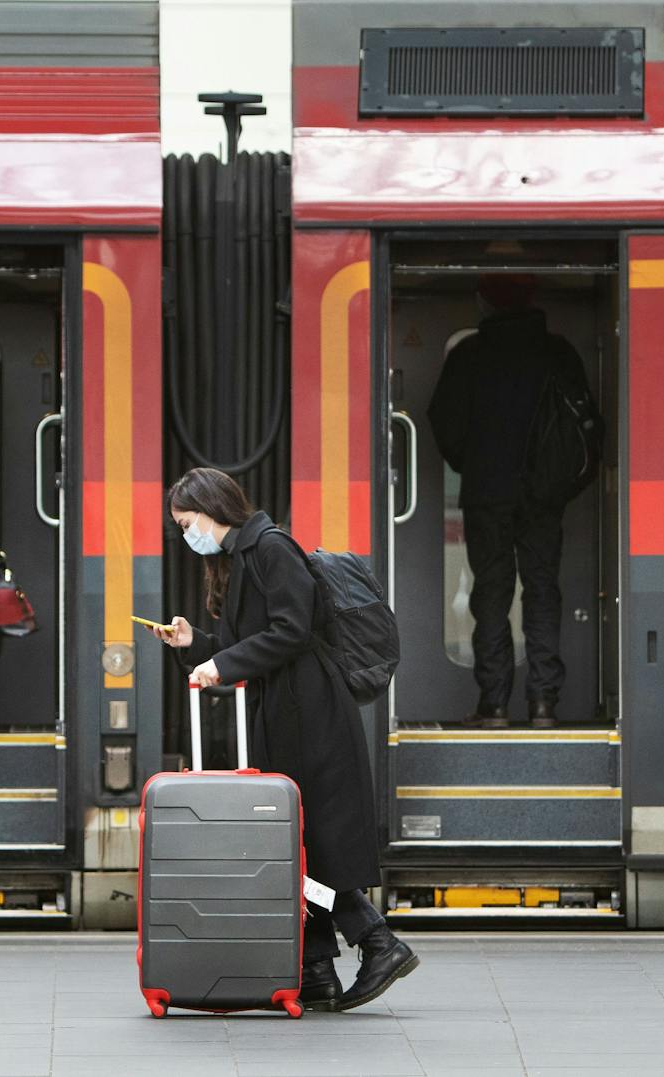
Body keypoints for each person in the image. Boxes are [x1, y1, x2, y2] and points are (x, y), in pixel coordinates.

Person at [156, 467, 419, 1012]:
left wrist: (221, 663)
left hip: (311, 710)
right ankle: (315, 968)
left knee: (311, 838)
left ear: (211, 509)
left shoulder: (272, 548)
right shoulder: (240, 558)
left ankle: (378, 943)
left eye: (187, 523)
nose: (187, 535)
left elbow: (291, 630)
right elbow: (249, 641)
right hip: (286, 710)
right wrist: (195, 643)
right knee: (294, 840)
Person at [427, 274, 594, 730]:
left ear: (483, 301)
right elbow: (586, 427)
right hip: (544, 496)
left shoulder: (469, 355)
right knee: (542, 590)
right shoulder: (558, 353)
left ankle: (494, 704)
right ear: (531, 297)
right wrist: (559, 484)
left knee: (492, 594)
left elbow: (444, 423)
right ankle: (543, 703)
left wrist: (476, 466)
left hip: (487, 494)